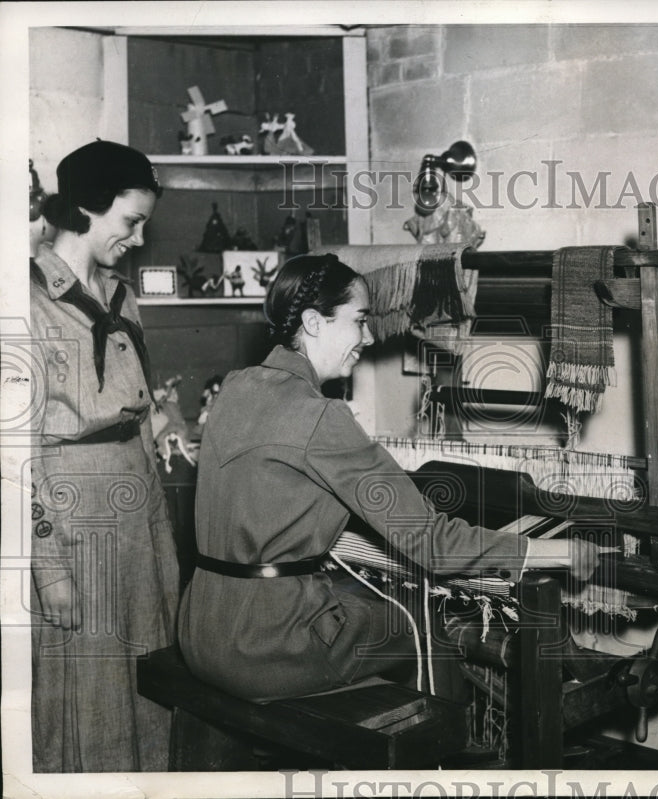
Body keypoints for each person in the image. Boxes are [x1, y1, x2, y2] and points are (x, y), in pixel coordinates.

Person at [177, 253, 600, 702]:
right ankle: (444, 759)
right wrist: (560, 551)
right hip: (260, 650)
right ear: (314, 322)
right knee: (426, 624)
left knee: (355, 602)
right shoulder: (320, 415)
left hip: (202, 631)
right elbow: (434, 545)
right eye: (359, 321)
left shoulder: (237, 387)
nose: (369, 336)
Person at [29, 140, 180, 771]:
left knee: (152, 680)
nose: (139, 239)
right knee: (86, 694)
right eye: (131, 222)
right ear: (88, 208)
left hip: (141, 514)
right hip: (76, 523)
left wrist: (160, 428)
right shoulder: (27, 303)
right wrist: (50, 571)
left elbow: (130, 404)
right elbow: (12, 454)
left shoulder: (122, 296)